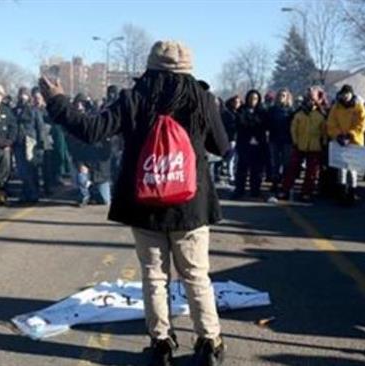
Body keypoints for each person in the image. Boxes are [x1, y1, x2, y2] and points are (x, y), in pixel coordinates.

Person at [40, 40, 228, 366]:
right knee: (197, 276)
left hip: (146, 202)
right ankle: (209, 343)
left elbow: (91, 129)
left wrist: (57, 101)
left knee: (154, 277)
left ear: (151, 65)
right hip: (189, 204)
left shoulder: (134, 98)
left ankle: (161, 344)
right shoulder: (202, 99)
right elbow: (222, 146)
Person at [326, 84, 365, 205]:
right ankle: (342, 192)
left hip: (354, 141)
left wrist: (350, 135)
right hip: (340, 142)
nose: (345, 96)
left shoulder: (359, 107)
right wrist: (338, 135)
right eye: (344, 93)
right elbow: (331, 123)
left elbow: (362, 123)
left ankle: (352, 192)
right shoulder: (336, 107)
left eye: (347, 93)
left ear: (352, 94)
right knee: (342, 168)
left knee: (352, 169)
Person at [282, 90, 326, 202]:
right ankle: (285, 190)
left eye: (312, 101)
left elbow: (324, 131)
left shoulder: (320, 116)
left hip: (314, 147)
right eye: (308, 100)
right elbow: (293, 129)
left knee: (311, 172)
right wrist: (295, 142)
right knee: (292, 169)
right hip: (299, 145)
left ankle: (306, 192)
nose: (310, 103)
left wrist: (324, 143)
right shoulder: (299, 115)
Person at [233, 89, 267, 199]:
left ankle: (255, 190)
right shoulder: (241, 110)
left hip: (258, 144)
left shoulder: (262, 112)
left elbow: (263, 126)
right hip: (244, 143)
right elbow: (240, 124)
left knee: (256, 170)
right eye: (251, 98)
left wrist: (256, 135)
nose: (253, 100)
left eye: (255, 98)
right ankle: (239, 190)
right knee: (242, 169)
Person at [13, 87, 43, 204]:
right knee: (22, 170)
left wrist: (41, 143)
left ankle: (33, 194)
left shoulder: (33, 110)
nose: (22, 97)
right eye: (21, 94)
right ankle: (26, 193)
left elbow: (39, 127)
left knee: (31, 169)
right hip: (18, 142)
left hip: (30, 142)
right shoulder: (15, 110)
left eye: (24, 95)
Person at [266, 88, 294, 202]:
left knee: (286, 164)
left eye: (284, 95)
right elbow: (267, 124)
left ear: (287, 97)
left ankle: (285, 184)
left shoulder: (291, 111)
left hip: (287, 140)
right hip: (274, 139)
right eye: (280, 95)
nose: (281, 97)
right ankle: (275, 183)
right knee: (275, 163)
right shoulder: (272, 110)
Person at [31, 87, 56, 196]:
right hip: (34, 142)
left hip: (46, 142)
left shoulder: (47, 110)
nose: (37, 100)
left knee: (47, 168)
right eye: (35, 98)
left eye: (39, 98)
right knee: (34, 167)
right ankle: (35, 188)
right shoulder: (30, 110)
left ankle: (48, 187)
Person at [220, 95, 240, 187]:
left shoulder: (241, 112)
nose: (237, 104)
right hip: (231, 138)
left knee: (237, 159)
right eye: (235, 102)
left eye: (238, 102)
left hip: (240, 138)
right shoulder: (227, 113)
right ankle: (231, 176)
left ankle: (236, 175)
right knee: (231, 158)